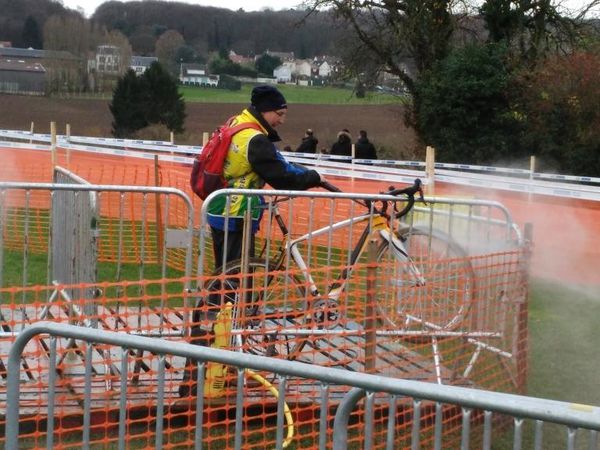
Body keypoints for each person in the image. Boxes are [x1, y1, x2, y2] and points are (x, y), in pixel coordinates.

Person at [207, 84, 325, 269]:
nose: (282, 120)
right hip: (237, 214)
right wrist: (313, 178)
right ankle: (229, 299)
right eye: (279, 114)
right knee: (236, 280)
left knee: (225, 276)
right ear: (265, 110)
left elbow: (277, 163)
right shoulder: (255, 139)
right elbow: (282, 177)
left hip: (221, 208)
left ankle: (222, 298)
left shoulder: (237, 123)